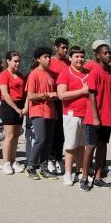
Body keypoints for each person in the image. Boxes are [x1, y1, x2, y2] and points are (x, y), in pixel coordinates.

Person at [83, 39, 111, 190]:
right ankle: (84, 178)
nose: (109, 55)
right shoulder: (95, 72)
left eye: (109, 52)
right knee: (90, 146)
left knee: (103, 146)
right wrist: (96, 117)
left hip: (108, 117)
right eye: (105, 53)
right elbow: (91, 95)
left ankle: (97, 178)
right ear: (98, 55)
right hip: (94, 118)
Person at [56, 46, 91, 189]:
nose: (80, 59)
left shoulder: (89, 73)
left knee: (82, 145)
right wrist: (82, 91)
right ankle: (68, 173)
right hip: (71, 115)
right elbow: (61, 95)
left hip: (86, 115)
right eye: (76, 56)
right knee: (70, 146)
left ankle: (80, 171)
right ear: (70, 58)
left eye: (82, 57)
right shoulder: (65, 73)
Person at [25, 47, 59, 180]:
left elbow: (56, 93)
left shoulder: (51, 74)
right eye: (45, 57)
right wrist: (44, 96)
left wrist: (54, 95)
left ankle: (43, 169)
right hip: (38, 111)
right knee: (40, 139)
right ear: (38, 59)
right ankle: (30, 167)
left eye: (49, 56)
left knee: (48, 141)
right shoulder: (34, 74)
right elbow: (31, 96)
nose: (48, 59)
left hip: (50, 111)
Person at [0, 51, 27, 175]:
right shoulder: (4, 75)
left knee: (16, 135)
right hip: (9, 106)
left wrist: (25, 107)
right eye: (15, 61)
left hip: (20, 106)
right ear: (8, 61)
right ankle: (6, 163)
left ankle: (14, 160)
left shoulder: (21, 76)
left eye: (19, 61)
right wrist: (16, 108)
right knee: (9, 136)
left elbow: (25, 94)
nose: (17, 63)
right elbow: (5, 94)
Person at [47, 37, 70, 174]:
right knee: (52, 131)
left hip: (64, 101)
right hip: (52, 101)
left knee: (61, 132)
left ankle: (58, 158)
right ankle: (50, 159)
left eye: (67, 48)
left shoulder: (68, 62)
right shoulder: (50, 61)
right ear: (56, 47)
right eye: (63, 48)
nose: (65, 50)